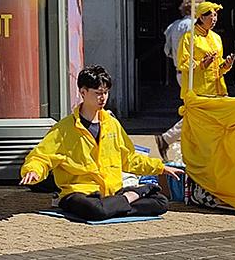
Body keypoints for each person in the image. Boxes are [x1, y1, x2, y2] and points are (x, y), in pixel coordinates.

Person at [20, 65, 181, 222]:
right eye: (98, 93)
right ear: (83, 92)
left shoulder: (112, 124)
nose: (103, 98)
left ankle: (116, 205)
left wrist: (160, 167)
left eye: (105, 92)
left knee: (161, 202)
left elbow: (129, 158)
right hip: (79, 192)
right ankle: (130, 197)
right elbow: (41, 156)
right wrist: (33, 171)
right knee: (95, 209)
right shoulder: (64, 129)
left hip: (110, 192)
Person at [154, 0, 203, 158]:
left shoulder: (173, 26)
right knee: (198, 111)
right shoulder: (194, 27)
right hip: (192, 73)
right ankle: (168, 138)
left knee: (194, 110)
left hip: (180, 72)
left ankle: (188, 144)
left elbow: (167, 51)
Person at [177, 1, 235, 98]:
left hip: (219, 90)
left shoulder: (216, 37)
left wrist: (226, 65)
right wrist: (202, 64)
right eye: (212, 16)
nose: (215, 19)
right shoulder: (189, 37)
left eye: (216, 16)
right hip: (199, 93)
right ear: (202, 17)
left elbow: (218, 67)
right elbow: (183, 63)